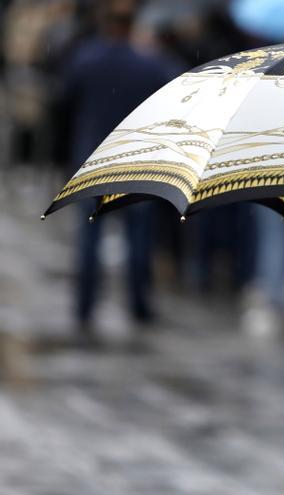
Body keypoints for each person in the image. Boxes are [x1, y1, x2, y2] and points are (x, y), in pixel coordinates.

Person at [54, 0, 179, 341]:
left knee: (90, 238)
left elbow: (62, 102)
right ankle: (138, 303)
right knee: (139, 238)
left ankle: (85, 305)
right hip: (136, 160)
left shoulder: (85, 58)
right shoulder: (149, 64)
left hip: (93, 160)